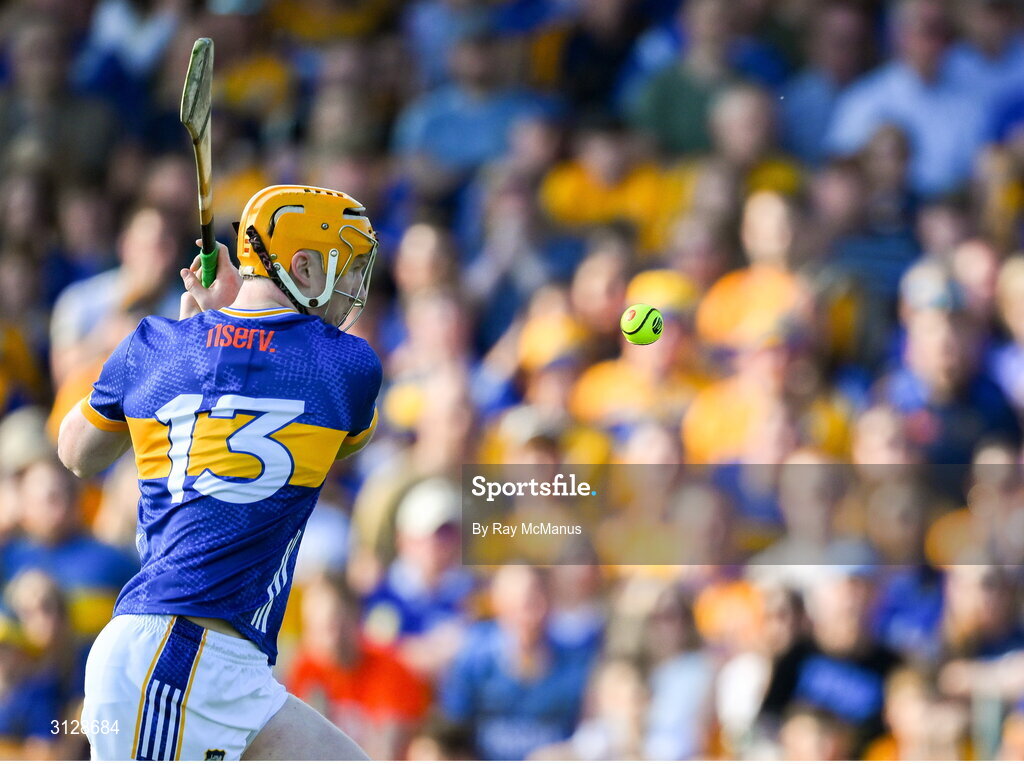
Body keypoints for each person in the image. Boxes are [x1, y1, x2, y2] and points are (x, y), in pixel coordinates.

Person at [57, 185, 382, 760]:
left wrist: (200, 335)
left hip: (222, 663)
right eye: (346, 268)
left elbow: (76, 453)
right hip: (178, 652)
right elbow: (334, 433)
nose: (355, 288)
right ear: (302, 266)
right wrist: (222, 334)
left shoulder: (154, 344)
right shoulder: (348, 365)